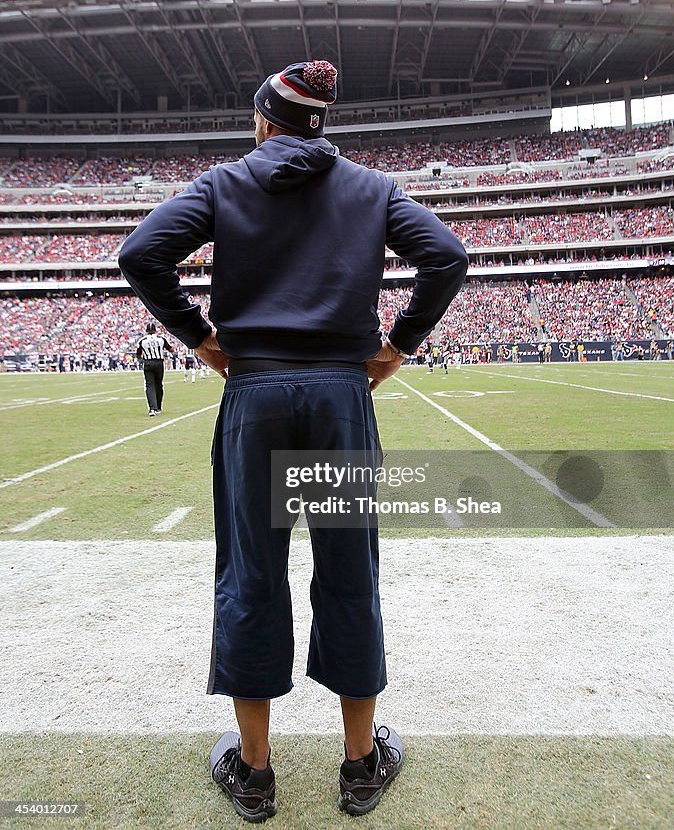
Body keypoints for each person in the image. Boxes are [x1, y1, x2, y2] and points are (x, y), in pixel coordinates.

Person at [119, 59, 468, 822]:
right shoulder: (372, 189)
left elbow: (140, 253)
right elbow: (446, 256)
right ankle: (358, 763)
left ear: (263, 120)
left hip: (256, 394)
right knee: (349, 573)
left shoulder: (224, 182)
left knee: (252, 574)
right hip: (342, 399)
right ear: (319, 124)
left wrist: (201, 338)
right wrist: (399, 344)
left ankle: (253, 772)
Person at [136, 321, 172, 415]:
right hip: (159, 363)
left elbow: (138, 355)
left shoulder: (142, 340)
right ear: (155, 330)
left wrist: (142, 358)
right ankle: (158, 407)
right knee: (159, 384)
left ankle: (152, 408)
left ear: (147, 330)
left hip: (148, 363)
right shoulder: (161, 339)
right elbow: (171, 349)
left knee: (150, 385)